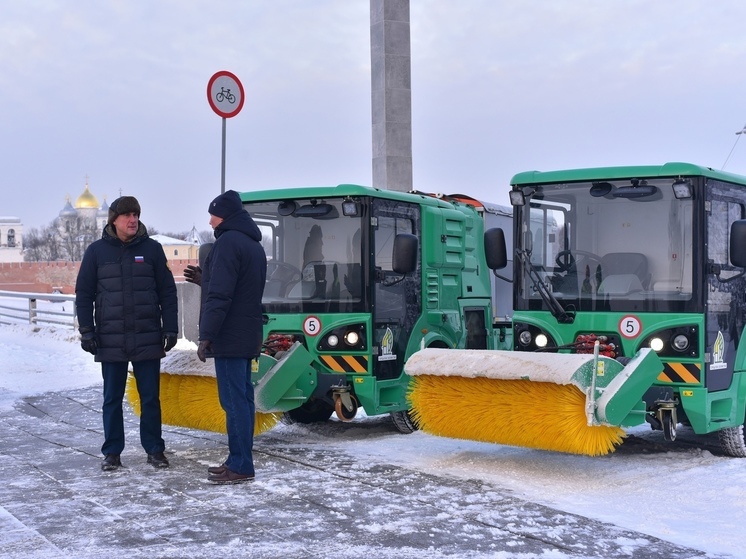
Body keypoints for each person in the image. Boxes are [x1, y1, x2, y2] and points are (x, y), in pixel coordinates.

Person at [75, 196, 178, 472]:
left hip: (146, 335)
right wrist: (87, 331)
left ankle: (155, 450)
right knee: (111, 398)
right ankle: (112, 452)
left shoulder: (153, 250)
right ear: (114, 220)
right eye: (127, 215)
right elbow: (83, 295)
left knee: (150, 398)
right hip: (110, 338)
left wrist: (170, 327)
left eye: (136, 214)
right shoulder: (96, 252)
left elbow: (168, 292)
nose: (133, 220)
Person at [193, 189, 267, 484]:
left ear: (223, 215)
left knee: (234, 402)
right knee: (243, 399)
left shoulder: (227, 243)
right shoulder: (252, 244)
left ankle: (241, 464)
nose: (210, 222)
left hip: (229, 336)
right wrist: (206, 278)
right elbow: (238, 287)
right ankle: (238, 459)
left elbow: (221, 295)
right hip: (246, 333)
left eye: (212, 215)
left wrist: (206, 335)